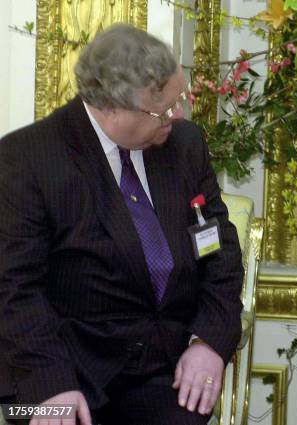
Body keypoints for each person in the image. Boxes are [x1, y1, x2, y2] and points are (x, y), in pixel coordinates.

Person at [0, 24, 244, 425]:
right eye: (163, 109)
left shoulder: (184, 145)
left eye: (177, 100)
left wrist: (208, 342)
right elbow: (14, 288)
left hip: (160, 374)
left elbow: (220, 253)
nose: (176, 114)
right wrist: (50, 383)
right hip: (56, 372)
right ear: (111, 107)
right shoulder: (27, 159)